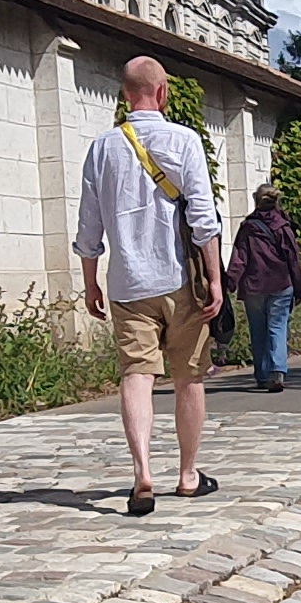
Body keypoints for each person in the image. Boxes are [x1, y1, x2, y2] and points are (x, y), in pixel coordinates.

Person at [71, 56, 224, 514]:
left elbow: (88, 225)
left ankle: (142, 473)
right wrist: (215, 278)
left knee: (137, 374)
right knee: (188, 377)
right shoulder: (184, 140)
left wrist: (91, 282)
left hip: (128, 283)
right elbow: (203, 218)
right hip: (181, 280)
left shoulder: (102, 148)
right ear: (162, 93)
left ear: (124, 94)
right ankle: (188, 474)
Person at [224, 183, 301, 392]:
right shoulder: (283, 226)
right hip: (281, 285)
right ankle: (277, 371)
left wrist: (229, 284)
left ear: (255, 200)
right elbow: (293, 259)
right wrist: (299, 288)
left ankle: (261, 375)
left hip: (254, 286)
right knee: (277, 327)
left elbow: (239, 259)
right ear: (277, 200)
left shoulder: (248, 228)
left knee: (258, 330)